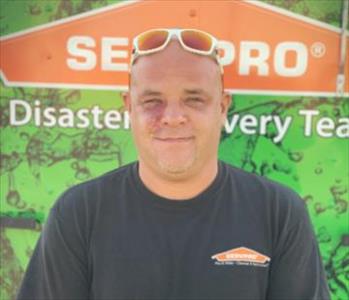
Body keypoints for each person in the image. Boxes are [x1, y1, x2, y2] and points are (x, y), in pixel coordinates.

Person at [17, 28, 330, 300]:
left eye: (194, 99)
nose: (172, 117)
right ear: (129, 107)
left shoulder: (279, 212)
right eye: (152, 100)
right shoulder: (78, 214)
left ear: (222, 107)